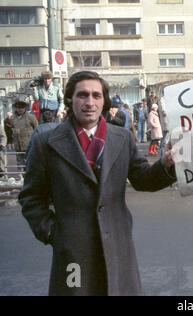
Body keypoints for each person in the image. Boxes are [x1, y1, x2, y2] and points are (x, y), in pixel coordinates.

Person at [19, 71, 176, 296]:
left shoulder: (122, 138)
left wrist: (166, 164)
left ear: (104, 101)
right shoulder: (47, 143)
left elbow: (143, 180)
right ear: (70, 100)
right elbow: (31, 198)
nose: (90, 102)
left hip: (117, 247)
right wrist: (54, 234)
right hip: (73, 253)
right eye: (82, 95)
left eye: (96, 95)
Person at [12, 101, 38, 171]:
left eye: (22, 108)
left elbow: (37, 129)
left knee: (29, 162)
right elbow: (12, 129)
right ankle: (21, 177)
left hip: (28, 144)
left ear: (25, 108)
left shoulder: (31, 117)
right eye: (18, 108)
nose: (20, 110)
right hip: (17, 145)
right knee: (19, 163)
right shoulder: (13, 118)